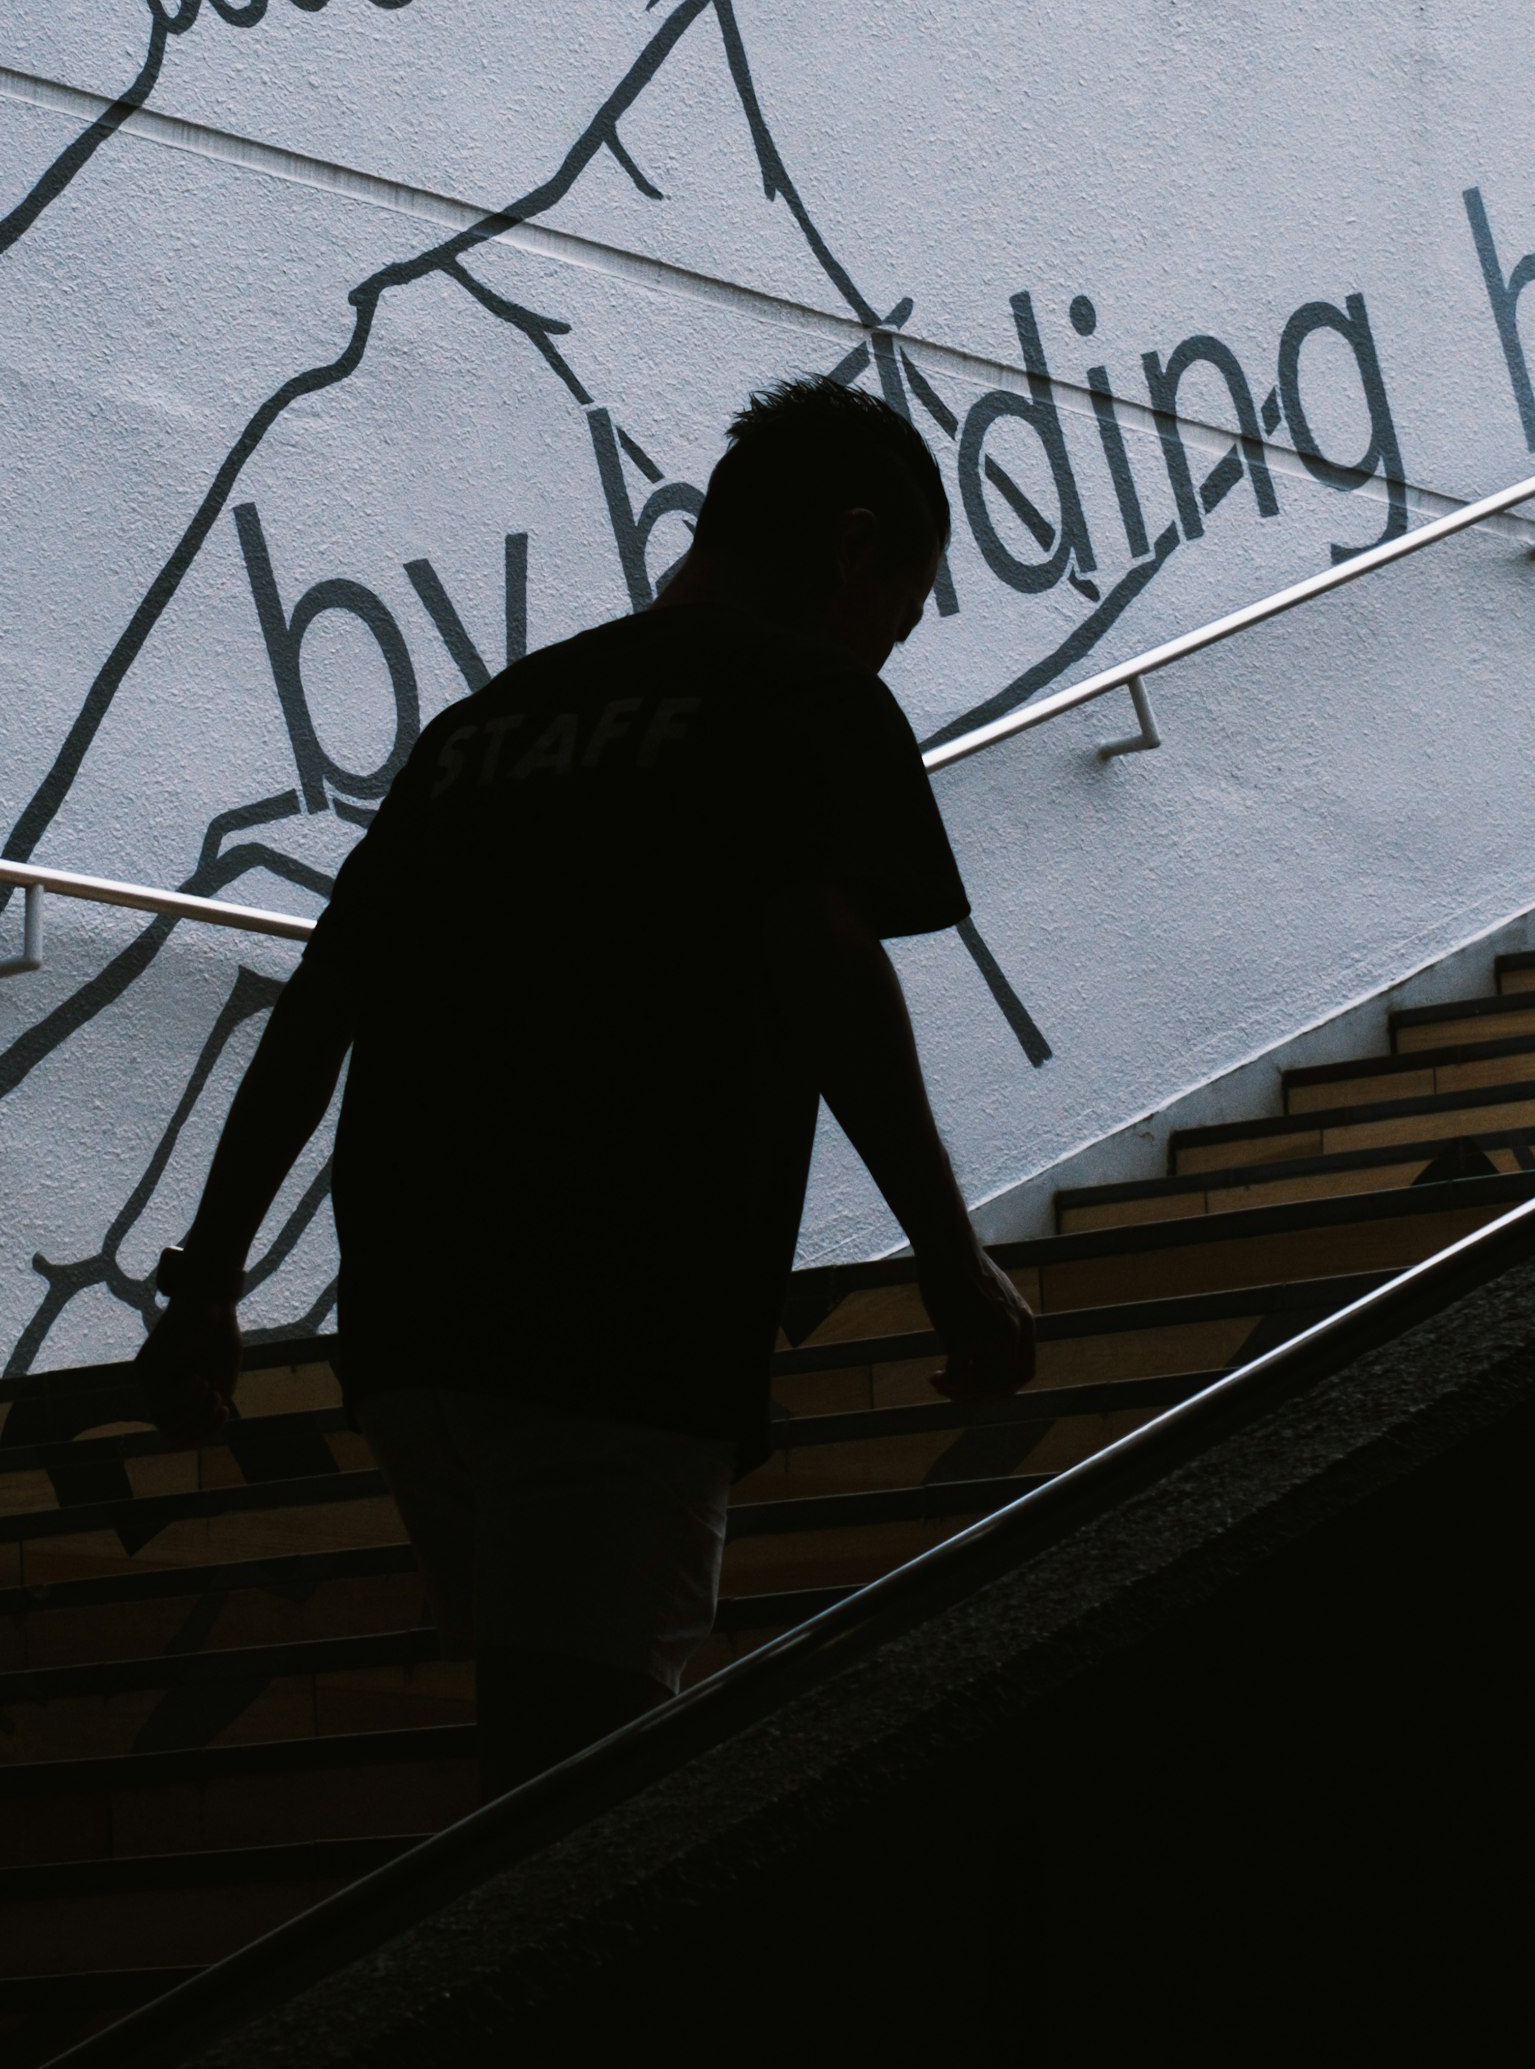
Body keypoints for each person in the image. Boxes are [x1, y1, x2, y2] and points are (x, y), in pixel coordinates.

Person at [133, 371, 1038, 1789]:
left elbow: (324, 1003)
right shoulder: (806, 696)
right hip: (621, 1318)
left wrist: (207, 1288)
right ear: (856, 549)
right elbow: (828, 967)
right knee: (575, 1790)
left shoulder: (485, 728)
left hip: (417, 1336)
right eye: (901, 613)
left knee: (538, 1733)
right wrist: (948, 1254)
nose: (889, 651)